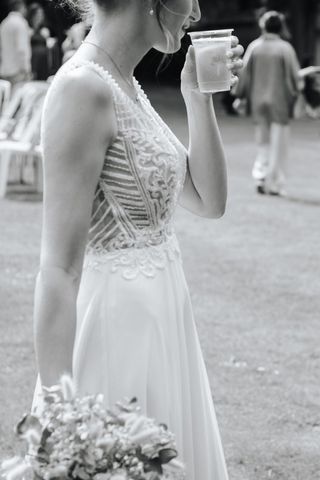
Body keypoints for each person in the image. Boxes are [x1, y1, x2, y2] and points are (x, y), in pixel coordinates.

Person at [32, 0, 244, 478]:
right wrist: (61, 412)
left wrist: (198, 95)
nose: (194, 15)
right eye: (189, 0)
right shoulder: (81, 88)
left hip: (165, 320)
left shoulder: (126, 84)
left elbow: (209, 200)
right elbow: (58, 269)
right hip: (116, 332)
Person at [235, 10, 300, 196]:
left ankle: (260, 176)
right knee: (279, 143)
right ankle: (275, 183)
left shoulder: (255, 46)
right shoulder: (285, 48)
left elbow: (244, 74)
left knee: (262, 141)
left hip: (257, 100)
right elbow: (295, 77)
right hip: (278, 100)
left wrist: (240, 95)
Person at [0, 0, 31, 84]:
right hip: (18, 71)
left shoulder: (4, 23)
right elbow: (22, 48)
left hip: (5, 69)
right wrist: (26, 69)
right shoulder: (21, 22)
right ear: (21, 7)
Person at [27, 3, 51, 81]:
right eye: (38, 14)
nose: (40, 16)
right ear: (32, 15)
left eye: (41, 14)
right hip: (33, 60)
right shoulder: (27, 29)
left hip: (44, 60)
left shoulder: (45, 30)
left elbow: (48, 45)